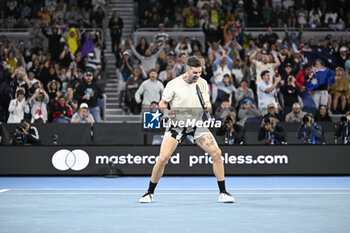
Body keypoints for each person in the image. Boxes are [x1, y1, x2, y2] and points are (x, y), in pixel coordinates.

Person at [139, 56, 234, 203]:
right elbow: (162, 104)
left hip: (196, 124)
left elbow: (207, 102)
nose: (197, 75)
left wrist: (208, 107)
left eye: (200, 72)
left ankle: (223, 192)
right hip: (176, 126)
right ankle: (149, 193)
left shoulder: (202, 83)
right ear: (187, 69)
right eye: (194, 72)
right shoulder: (173, 84)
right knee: (163, 158)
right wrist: (167, 113)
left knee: (216, 153)